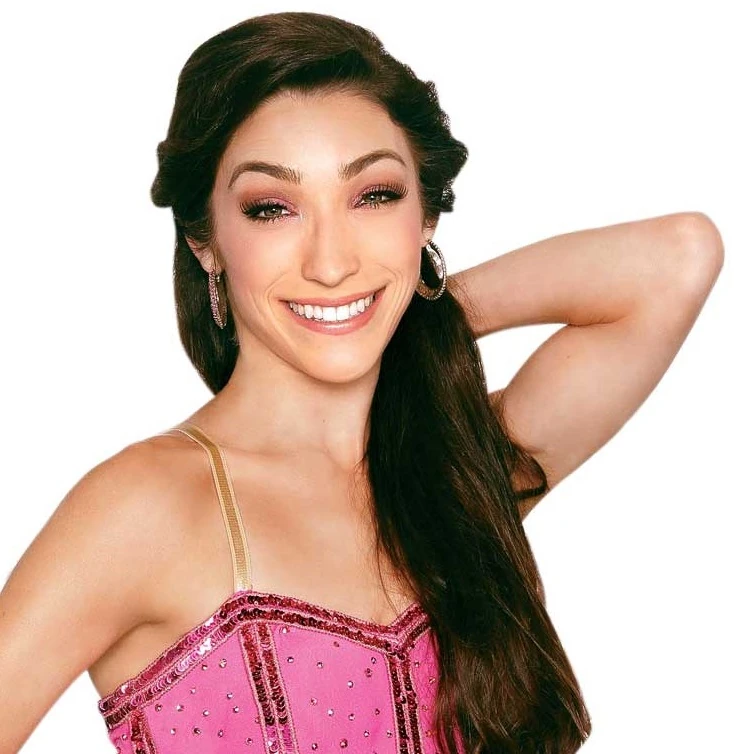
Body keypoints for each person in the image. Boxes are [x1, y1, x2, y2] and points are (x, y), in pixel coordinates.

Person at [0, 10, 723, 754]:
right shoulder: (143, 506)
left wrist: (411, 304)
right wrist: (376, 303)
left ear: (426, 215)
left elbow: (679, 257)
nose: (331, 262)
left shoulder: (458, 473)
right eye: (272, 208)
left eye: (374, 196)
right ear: (205, 241)